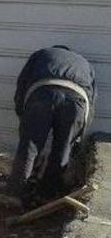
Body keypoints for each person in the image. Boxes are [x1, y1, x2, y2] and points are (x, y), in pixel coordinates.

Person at [8, 45, 95, 205]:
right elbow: (92, 98)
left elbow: (22, 83)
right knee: (63, 149)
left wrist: (22, 112)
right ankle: (47, 194)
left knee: (30, 146)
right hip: (76, 100)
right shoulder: (85, 64)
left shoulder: (41, 54)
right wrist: (79, 133)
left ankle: (16, 193)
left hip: (43, 94)